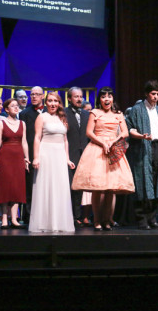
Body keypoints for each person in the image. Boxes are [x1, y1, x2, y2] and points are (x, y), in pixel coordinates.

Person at [72, 87, 135, 231]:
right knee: (97, 188)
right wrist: (103, 143)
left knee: (110, 188)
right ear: (99, 99)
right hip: (97, 150)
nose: (107, 99)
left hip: (113, 150)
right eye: (103, 97)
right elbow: (89, 132)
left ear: (113, 99)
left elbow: (125, 132)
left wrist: (114, 141)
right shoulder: (94, 112)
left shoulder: (118, 114)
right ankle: (97, 220)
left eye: (109, 96)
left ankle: (107, 220)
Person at [126, 80, 158, 230]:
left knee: (156, 181)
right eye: (153, 94)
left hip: (156, 146)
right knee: (142, 181)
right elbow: (130, 129)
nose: (156, 97)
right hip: (141, 147)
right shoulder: (137, 109)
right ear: (147, 94)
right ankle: (141, 220)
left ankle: (153, 219)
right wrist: (141, 136)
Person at [29, 92, 75, 232]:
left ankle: (59, 223)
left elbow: (65, 140)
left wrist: (67, 158)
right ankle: (44, 223)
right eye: (50, 101)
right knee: (46, 187)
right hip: (46, 154)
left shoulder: (63, 118)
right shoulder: (42, 117)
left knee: (60, 187)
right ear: (46, 102)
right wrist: (36, 157)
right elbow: (37, 137)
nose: (53, 103)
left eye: (55, 101)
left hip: (59, 155)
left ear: (59, 103)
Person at [0, 98, 30, 229]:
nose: (16, 107)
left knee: (17, 187)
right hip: (5, 157)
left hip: (18, 156)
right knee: (5, 187)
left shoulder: (22, 123)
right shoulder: (1, 123)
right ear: (6, 109)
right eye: (12, 106)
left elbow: (24, 142)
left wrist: (27, 158)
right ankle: (4, 218)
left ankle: (14, 219)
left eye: (17, 106)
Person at [64, 87, 90, 227]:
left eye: (80, 96)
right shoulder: (64, 113)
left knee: (79, 187)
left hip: (84, 155)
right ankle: (68, 216)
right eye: (76, 97)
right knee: (68, 186)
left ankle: (77, 216)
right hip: (69, 154)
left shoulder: (87, 114)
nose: (79, 99)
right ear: (69, 98)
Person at [19, 86, 45, 223]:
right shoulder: (24, 113)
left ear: (42, 96)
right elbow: (23, 138)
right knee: (30, 187)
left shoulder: (49, 112)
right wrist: (26, 157)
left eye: (37, 94)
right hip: (29, 153)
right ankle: (29, 217)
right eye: (32, 94)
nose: (34, 97)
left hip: (47, 152)